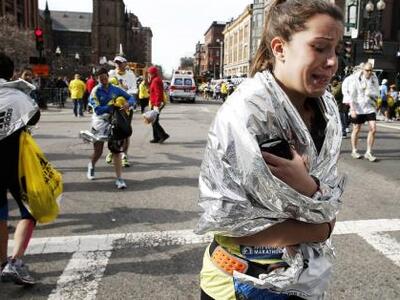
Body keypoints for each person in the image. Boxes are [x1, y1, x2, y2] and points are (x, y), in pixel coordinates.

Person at [196, 1, 345, 299]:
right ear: (280, 48)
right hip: (242, 283)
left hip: (304, 280)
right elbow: (232, 222)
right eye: (319, 47)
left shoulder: (326, 108)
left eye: (336, 50)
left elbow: (329, 198)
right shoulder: (248, 111)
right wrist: (321, 224)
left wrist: (308, 188)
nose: (332, 62)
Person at [0, 52, 40, 285]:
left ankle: (3, 261)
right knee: (29, 212)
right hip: (14, 163)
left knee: (1, 214)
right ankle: (14, 263)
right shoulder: (15, 95)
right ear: (10, 73)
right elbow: (34, 117)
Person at [87, 68, 136, 189]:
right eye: (100, 78)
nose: (103, 79)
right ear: (97, 79)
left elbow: (131, 98)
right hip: (100, 122)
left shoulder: (115, 88)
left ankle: (119, 179)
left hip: (114, 121)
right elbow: (97, 110)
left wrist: (127, 104)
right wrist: (111, 106)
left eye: (105, 77)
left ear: (107, 76)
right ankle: (91, 165)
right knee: (98, 151)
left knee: (116, 150)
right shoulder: (95, 91)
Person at [106, 56, 138, 167]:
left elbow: (134, 90)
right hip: (114, 106)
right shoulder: (111, 74)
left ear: (125, 64)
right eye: (116, 63)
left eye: (120, 63)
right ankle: (111, 152)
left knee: (125, 133)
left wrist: (129, 103)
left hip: (126, 107)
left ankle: (124, 155)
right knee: (112, 130)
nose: (118, 65)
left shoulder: (130, 75)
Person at [348, 62, 380, 162]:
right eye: (367, 70)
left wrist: (377, 102)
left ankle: (368, 152)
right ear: (363, 70)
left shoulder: (374, 79)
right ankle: (354, 150)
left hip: (370, 107)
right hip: (358, 107)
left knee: (373, 128)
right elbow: (351, 95)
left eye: (371, 70)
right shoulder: (355, 79)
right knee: (357, 128)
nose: (369, 72)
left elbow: (377, 92)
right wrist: (352, 109)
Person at [148, 66, 169, 143]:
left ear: (152, 73)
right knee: (154, 121)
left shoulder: (156, 80)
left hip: (156, 103)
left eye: (149, 73)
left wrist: (157, 104)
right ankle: (156, 137)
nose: (149, 74)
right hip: (155, 103)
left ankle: (163, 135)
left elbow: (158, 93)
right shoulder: (154, 80)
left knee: (154, 121)